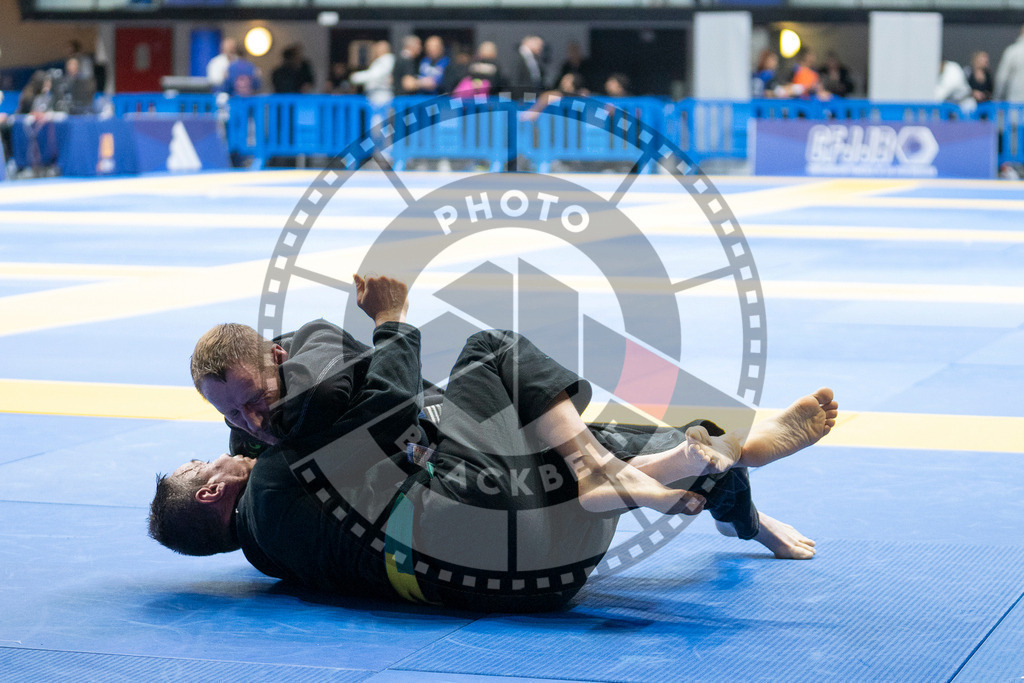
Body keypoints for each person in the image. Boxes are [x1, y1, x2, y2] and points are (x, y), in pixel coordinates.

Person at [151, 275, 838, 612]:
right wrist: (390, 320)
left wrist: (252, 411)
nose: (251, 422)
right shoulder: (275, 479)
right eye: (230, 425)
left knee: (551, 431)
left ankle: (731, 486)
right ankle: (645, 466)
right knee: (488, 353)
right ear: (214, 488)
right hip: (466, 525)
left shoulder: (272, 543)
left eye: (250, 404)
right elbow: (391, 406)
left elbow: (263, 437)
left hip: (535, 582)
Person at [349, 41, 395, 109]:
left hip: (381, 95)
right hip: (374, 95)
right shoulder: (379, 60)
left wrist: (356, 77)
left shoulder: (387, 59)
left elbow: (375, 74)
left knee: (379, 118)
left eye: (378, 48)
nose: (375, 50)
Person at [995, 25, 1024, 102]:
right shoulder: (1012, 51)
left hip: (1015, 103)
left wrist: (997, 99)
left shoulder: (1012, 51)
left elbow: (1002, 78)